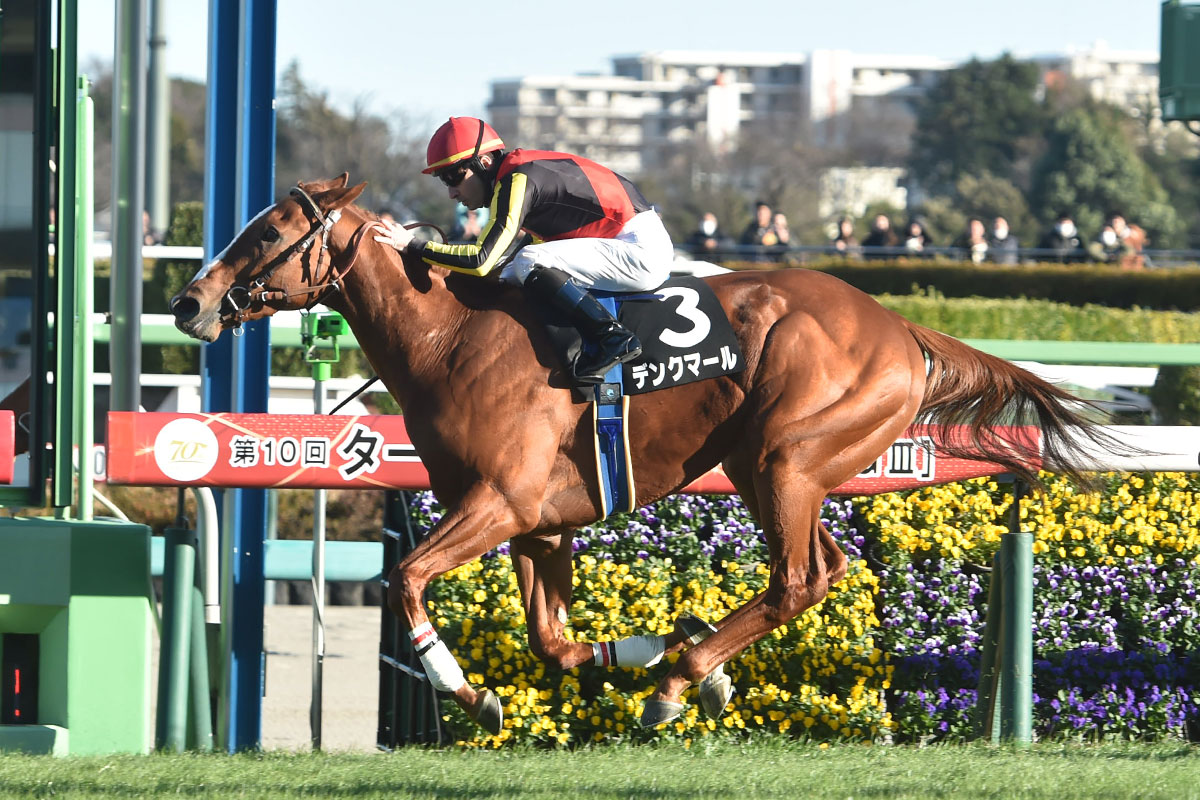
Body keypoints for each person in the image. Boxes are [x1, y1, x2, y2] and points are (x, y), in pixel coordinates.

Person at [373, 116, 673, 384]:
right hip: (625, 240)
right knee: (514, 270)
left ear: (485, 163)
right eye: (444, 181)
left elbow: (481, 260)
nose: (451, 192)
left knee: (529, 261)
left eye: (454, 177)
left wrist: (411, 244)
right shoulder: (518, 175)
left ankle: (611, 337)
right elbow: (501, 264)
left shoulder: (518, 179)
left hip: (639, 249)